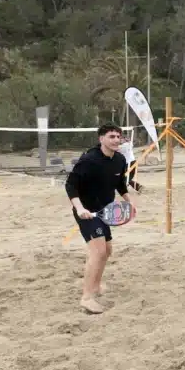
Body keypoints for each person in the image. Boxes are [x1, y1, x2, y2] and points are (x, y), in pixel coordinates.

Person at [64, 124, 134, 313]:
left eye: (118, 136)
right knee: (98, 251)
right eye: (111, 136)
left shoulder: (119, 159)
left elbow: (120, 184)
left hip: (105, 211)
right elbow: (70, 186)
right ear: (101, 139)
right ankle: (87, 297)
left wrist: (129, 201)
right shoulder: (89, 160)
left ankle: (95, 286)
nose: (116, 140)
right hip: (87, 211)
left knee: (107, 250)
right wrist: (79, 208)